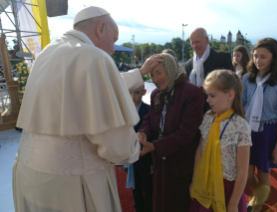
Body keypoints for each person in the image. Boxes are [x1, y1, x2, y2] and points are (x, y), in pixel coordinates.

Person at [13, 6, 163, 212]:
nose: (113, 49)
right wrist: (134, 147)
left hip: (30, 173)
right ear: (101, 28)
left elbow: (89, 85)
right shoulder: (93, 56)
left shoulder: (50, 51)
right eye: (114, 38)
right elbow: (117, 147)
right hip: (70, 184)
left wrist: (140, 72)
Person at [137, 53, 204, 212]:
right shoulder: (156, 94)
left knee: (178, 205)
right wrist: (143, 133)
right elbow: (149, 119)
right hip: (161, 163)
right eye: (152, 75)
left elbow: (186, 134)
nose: (155, 79)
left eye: (159, 72)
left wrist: (154, 146)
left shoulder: (192, 93)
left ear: (171, 69)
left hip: (181, 166)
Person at [242, 38, 277, 212]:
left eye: (263, 56)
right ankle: (258, 198)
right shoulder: (246, 79)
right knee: (247, 175)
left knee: (263, 173)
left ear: (274, 57)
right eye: (255, 56)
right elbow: (241, 106)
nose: (258, 60)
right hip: (247, 131)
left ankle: (257, 207)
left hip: (268, 132)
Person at [189, 70, 252, 212]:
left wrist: (233, 204)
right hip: (205, 183)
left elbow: (242, 170)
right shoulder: (208, 117)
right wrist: (194, 181)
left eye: (212, 96)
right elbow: (200, 151)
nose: (207, 100)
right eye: (207, 95)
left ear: (230, 95)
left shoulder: (241, 126)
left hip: (228, 189)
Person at [119, 84, 152, 212]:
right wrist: (120, 160)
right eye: (130, 93)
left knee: (148, 190)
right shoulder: (122, 112)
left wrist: (153, 162)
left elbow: (153, 136)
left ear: (144, 92)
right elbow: (120, 136)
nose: (133, 97)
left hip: (144, 158)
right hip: (129, 159)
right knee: (136, 190)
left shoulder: (149, 110)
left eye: (137, 93)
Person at [184, 28, 233, 112]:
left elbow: (232, 82)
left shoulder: (222, 58)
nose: (195, 45)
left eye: (198, 42)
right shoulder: (189, 64)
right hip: (196, 112)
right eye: (192, 43)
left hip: (220, 112)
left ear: (206, 40)